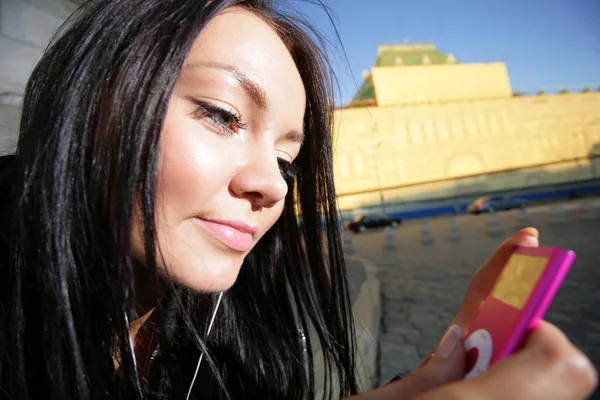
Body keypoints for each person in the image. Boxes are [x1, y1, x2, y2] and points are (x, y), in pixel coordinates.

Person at [0, 0, 596, 399]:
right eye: (222, 115)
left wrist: (433, 376)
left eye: (288, 159)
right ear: (92, 98)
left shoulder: (225, 321)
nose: (273, 185)